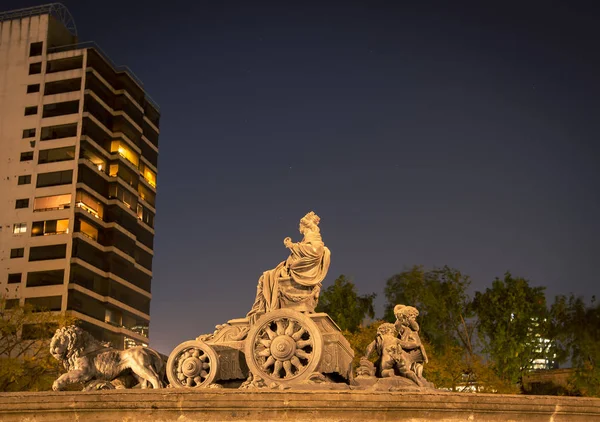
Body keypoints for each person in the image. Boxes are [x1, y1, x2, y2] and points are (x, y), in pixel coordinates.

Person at [246, 211, 330, 325]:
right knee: (267, 277)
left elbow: (315, 251)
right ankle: (261, 308)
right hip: (292, 270)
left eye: (300, 225)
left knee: (264, 278)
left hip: (297, 273)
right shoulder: (309, 238)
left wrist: (292, 246)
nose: (299, 227)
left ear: (304, 226)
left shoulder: (312, 237)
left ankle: (261, 310)